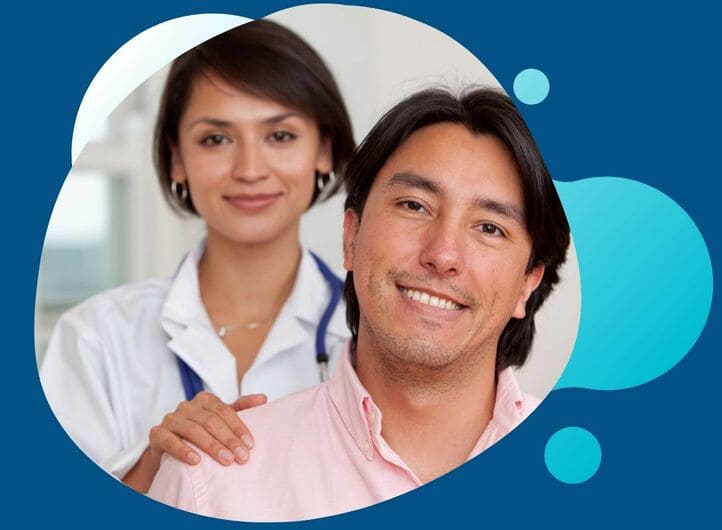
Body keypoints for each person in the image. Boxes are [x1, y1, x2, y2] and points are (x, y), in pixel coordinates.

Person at [147, 87, 571, 521]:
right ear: (351, 236)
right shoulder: (210, 482)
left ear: (528, 284)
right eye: (414, 205)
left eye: (489, 228)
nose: (443, 254)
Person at [39, 20, 355, 493]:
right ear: (176, 160)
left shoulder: (373, 331)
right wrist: (153, 466)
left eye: (280, 136)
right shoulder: (96, 339)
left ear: (324, 150)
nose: (250, 169)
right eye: (216, 139)